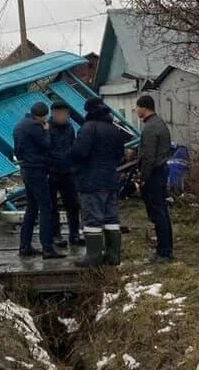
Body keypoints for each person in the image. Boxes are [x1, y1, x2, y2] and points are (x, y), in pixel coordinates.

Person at [69, 97, 127, 267]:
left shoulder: (88, 128)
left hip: (91, 180)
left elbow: (79, 152)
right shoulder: (114, 129)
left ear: (89, 111)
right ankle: (113, 254)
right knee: (111, 218)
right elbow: (119, 154)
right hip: (110, 179)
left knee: (93, 218)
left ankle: (93, 255)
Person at [13, 102, 65, 259]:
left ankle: (25, 245)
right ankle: (47, 248)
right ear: (43, 115)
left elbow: (18, 150)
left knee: (32, 208)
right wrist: (47, 132)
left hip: (26, 169)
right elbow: (46, 145)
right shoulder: (37, 127)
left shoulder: (19, 125)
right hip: (37, 170)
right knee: (46, 208)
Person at [136, 94, 174, 264]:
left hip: (154, 173)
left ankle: (163, 252)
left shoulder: (150, 128)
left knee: (157, 212)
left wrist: (143, 176)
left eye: (137, 107)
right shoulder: (160, 123)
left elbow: (148, 155)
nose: (136, 110)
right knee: (162, 211)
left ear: (144, 107)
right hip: (161, 169)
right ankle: (165, 249)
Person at [47, 101, 83, 248]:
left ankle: (74, 234)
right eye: (59, 114)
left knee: (73, 204)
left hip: (68, 172)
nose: (62, 117)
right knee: (52, 206)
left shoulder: (70, 128)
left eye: (65, 114)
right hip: (52, 172)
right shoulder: (46, 128)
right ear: (53, 113)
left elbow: (72, 146)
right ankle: (56, 234)